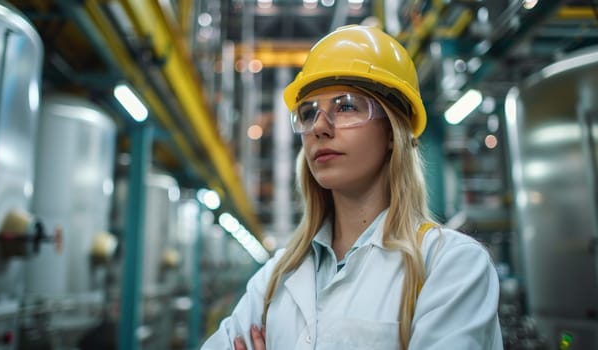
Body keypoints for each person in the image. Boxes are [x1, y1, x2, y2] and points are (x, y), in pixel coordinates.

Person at [201, 25, 503, 350]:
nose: (319, 127)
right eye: (308, 113)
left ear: (392, 133)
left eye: (345, 106)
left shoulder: (450, 265)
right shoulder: (276, 277)